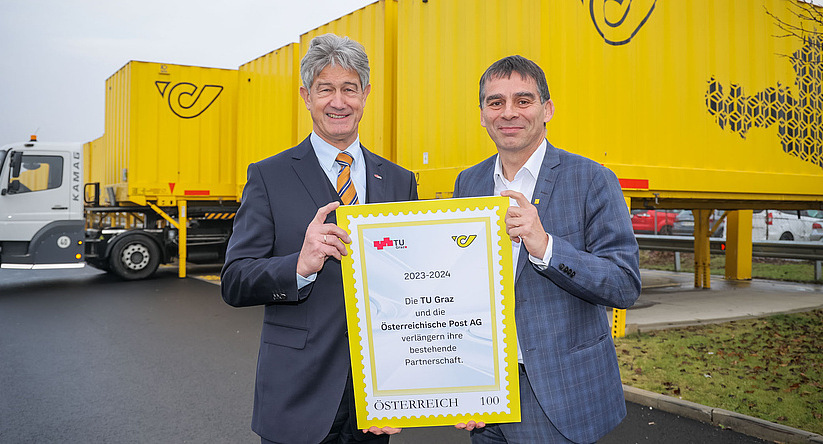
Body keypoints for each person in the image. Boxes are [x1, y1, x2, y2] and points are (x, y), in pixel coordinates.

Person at [220, 33, 418, 444]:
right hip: (298, 398)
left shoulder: (400, 181)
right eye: (325, 89)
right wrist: (299, 265)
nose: (338, 101)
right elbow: (235, 281)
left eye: (349, 88)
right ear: (306, 96)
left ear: (365, 94)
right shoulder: (268, 176)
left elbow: (414, 282)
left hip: (376, 401)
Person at [453, 55, 641, 443]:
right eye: (495, 102)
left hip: (561, 394)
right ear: (482, 114)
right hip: (487, 395)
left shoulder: (592, 180)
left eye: (523, 100)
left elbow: (624, 284)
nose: (508, 113)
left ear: (547, 109)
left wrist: (547, 248)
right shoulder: (468, 183)